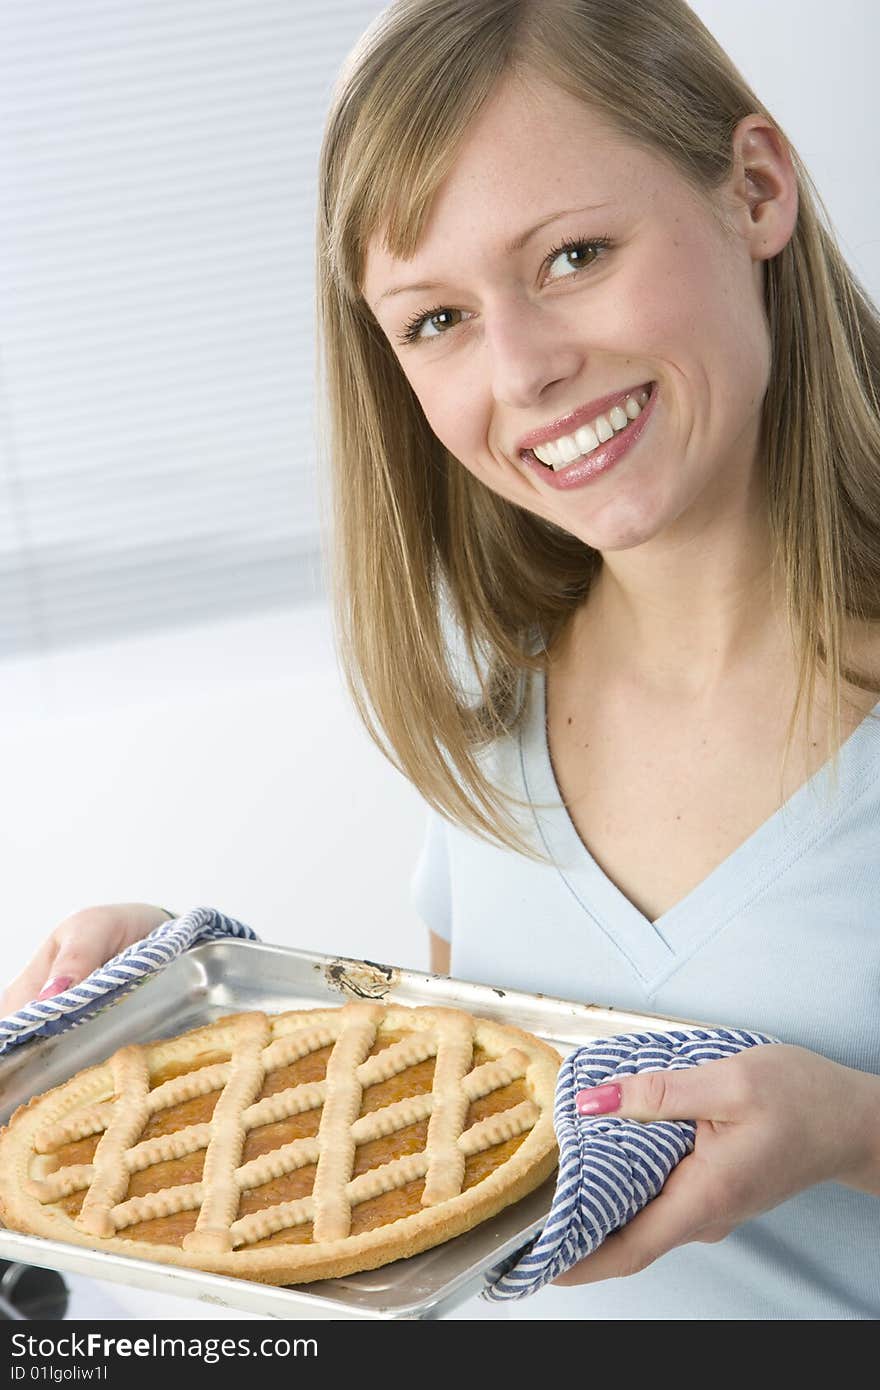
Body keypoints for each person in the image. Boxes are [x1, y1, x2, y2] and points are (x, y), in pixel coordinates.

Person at [3, 0, 879, 1319]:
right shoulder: (496, 729)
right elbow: (465, 1111)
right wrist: (209, 1025)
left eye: (575, 253)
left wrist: (856, 1128)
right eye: (436, 320)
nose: (525, 369)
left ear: (754, 190)